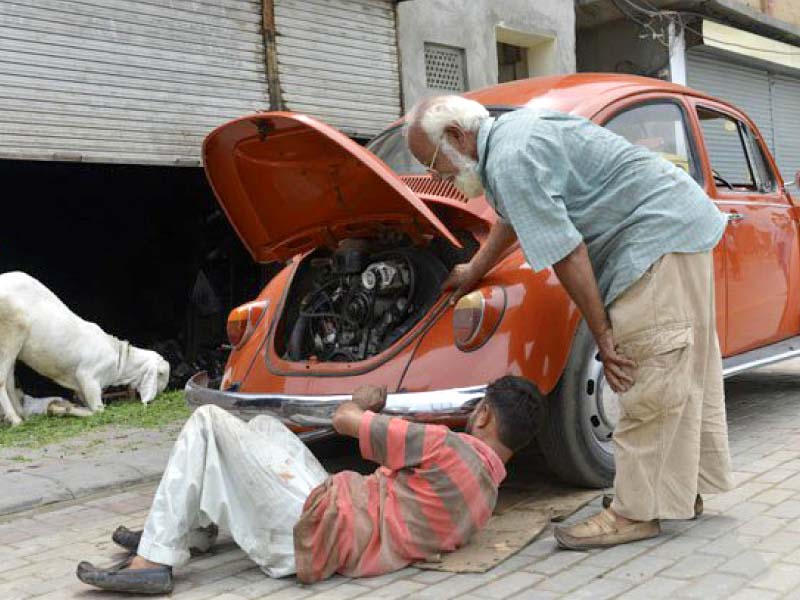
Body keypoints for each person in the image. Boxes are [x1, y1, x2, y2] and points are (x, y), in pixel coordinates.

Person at [404, 95, 733, 550]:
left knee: (647, 371)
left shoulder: (512, 156)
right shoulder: (511, 138)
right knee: (682, 368)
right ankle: (676, 492)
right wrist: (475, 268)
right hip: (679, 227)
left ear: (459, 137)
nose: (437, 176)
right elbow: (514, 216)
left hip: (654, 237)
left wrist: (603, 334)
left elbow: (567, 252)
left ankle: (635, 512)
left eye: (434, 162)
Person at [76, 376, 543, 594]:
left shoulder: (445, 446)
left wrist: (366, 398)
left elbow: (345, 419)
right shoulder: (487, 495)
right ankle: (184, 531)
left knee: (208, 420)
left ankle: (151, 561)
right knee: (262, 427)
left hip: (316, 527)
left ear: (482, 414)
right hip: (339, 523)